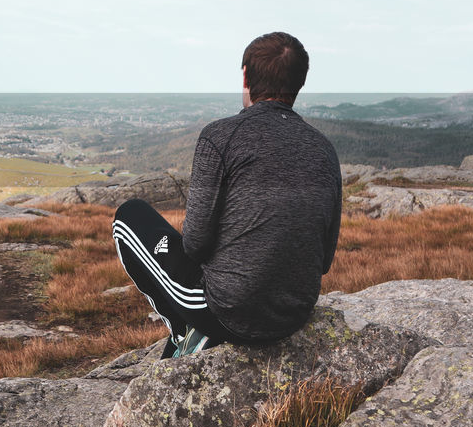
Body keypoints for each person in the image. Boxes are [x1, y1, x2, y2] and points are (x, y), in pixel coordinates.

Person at [112, 31, 342, 358]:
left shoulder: (221, 137)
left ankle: (182, 330)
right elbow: (325, 259)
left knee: (129, 216)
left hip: (228, 312)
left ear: (246, 76)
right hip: (294, 314)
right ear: (299, 84)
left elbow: (195, 244)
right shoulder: (324, 150)